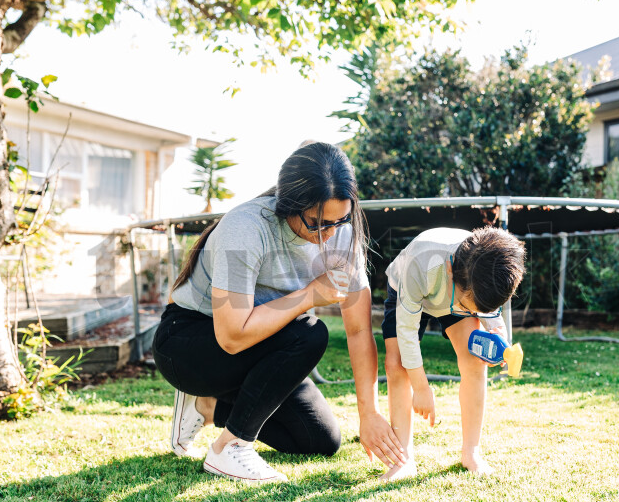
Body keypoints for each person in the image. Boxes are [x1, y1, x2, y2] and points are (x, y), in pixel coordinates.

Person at [152, 142, 405, 483]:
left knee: (320, 440)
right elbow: (231, 337)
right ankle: (230, 448)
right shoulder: (247, 226)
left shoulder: (343, 233)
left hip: (261, 346)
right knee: (310, 332)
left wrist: (370, 413)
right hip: (190, 344)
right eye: (317, 223)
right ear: (290, 205)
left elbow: (359, 331)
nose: (329, 234)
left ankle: (207, 407)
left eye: (339, 220)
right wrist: (309, 295)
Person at [380, 226, 525, 480]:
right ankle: (404, 459)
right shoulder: (421, 265)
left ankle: (471, 452)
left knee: (474, 362)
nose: (478, 311)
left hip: (461, 297)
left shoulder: (486, 271)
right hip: (409, 290)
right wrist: (421, 387)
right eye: (474, 307)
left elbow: (489, 309)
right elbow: (406, 334)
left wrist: (498, 334)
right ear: (451, 272)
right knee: (397, 365)